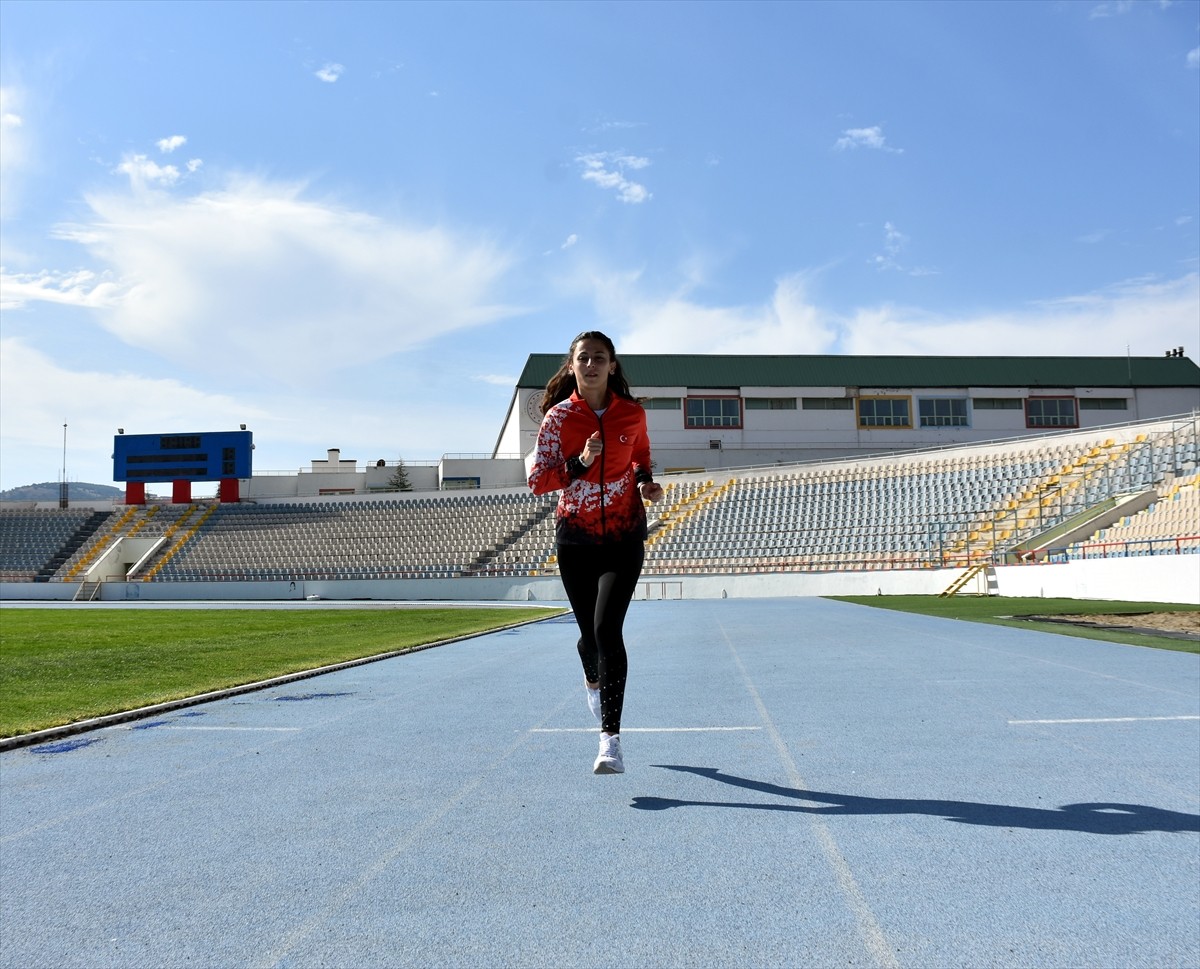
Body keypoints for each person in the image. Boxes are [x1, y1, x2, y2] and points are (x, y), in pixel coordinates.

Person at [528, 331, 664, 774]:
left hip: (624, 536)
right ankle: (591, 676)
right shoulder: (557, 419)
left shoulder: (632, 414)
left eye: (599, 358)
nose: (591, 365)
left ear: (612, 366)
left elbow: (641, 454)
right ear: (572, 366)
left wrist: (645, 481)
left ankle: (610, 741)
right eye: (583, 358)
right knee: (590, 637)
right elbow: (538, 482)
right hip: (576, 541)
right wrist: (580, 463)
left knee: (608, 630)